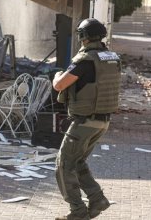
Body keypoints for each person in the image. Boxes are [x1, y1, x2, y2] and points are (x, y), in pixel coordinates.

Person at [52, 18, 121, 220]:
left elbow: (60, 85)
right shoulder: (112, 57)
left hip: (84, 122)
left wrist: (56, 76)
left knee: (63, 165)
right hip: (102, 122)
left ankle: (77, 212)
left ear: (84, 37)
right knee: (78, 161)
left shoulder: (86, 60)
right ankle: (97, 199)